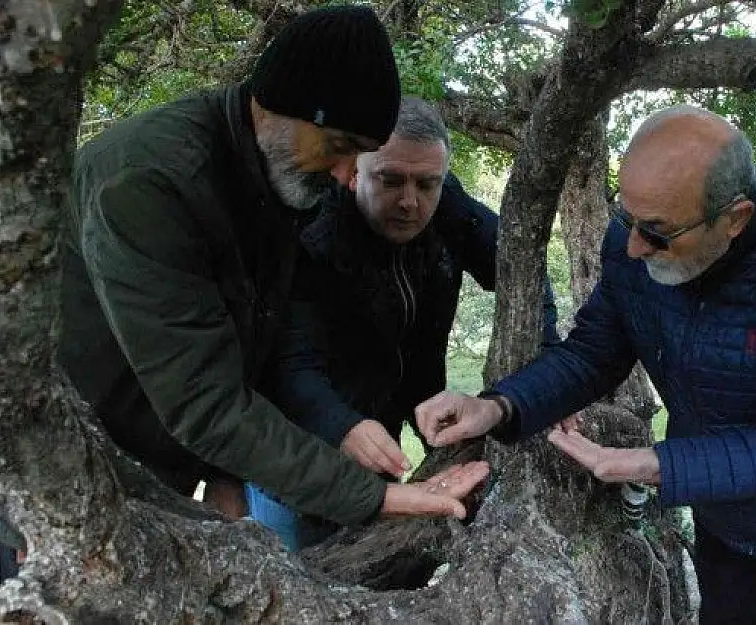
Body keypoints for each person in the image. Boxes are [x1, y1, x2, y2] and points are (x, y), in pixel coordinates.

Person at [414, 106, 756, 624]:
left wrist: (658, 465)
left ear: (734, 218)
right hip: (723, 498)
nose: (633, 245)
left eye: (658, 232)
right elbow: (593, 352)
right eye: (626, 217)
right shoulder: (634, 240)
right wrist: (499, 407)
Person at [57, 5, 487, 540]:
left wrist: (222, 472)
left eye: (361, 156)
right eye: (339, 149)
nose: (348, 177)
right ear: (277, 107)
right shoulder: (149, 183)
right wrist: (377, 498)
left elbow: (251, 337)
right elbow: (203, 398)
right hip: (59, 462)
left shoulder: (276, 174)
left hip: (151, 465)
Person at [244, 96, 561, 550]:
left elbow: (522, 268)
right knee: (299, 574)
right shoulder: (310, 233)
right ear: (352, 171)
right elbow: (288, 363)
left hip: (393, 427)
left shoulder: (448, 209)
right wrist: (341, 426)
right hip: (297, 456)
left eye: (427, 183)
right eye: (389, 179)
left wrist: (547, 367)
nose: (410, 202)